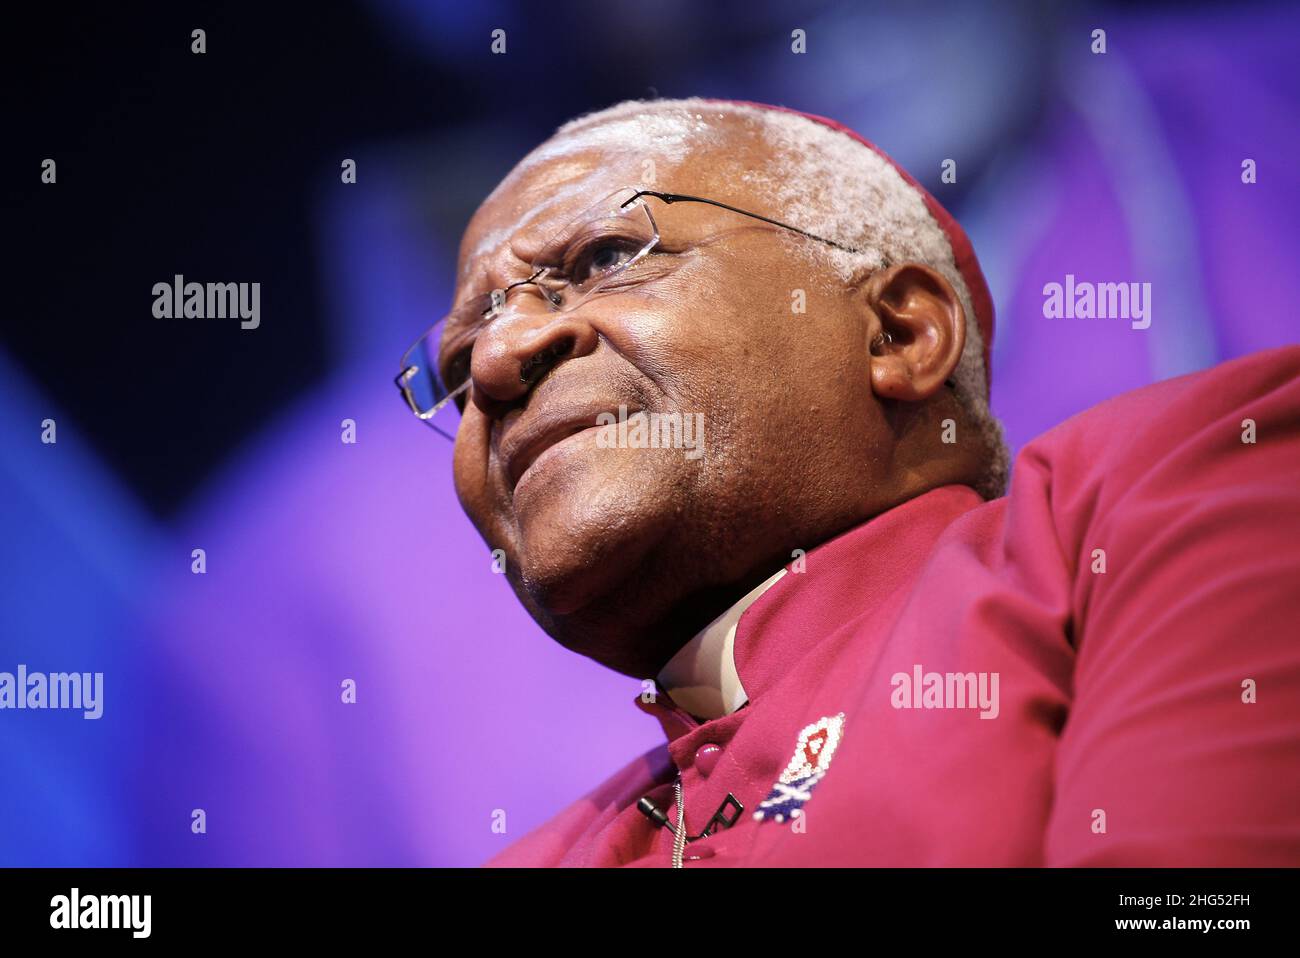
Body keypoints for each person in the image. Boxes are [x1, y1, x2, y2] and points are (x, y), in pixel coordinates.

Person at [395, 97, 1300, 867]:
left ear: (898, 334)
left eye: (602, 259)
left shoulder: (1154, 496)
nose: (503, 358)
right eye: (462, 359)